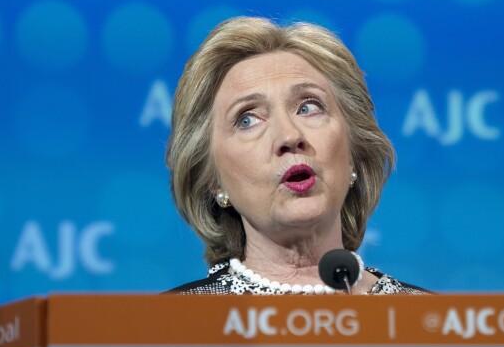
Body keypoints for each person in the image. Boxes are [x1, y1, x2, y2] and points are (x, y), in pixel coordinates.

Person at [167, 17, 428, 295]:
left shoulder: (431, 323)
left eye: (308, 107)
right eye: (247, 120)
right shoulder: (170, 327)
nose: (289, 137)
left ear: (353, 152)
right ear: (214, 180)